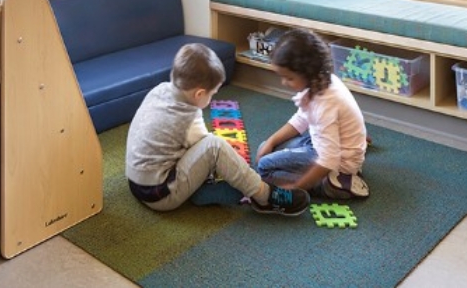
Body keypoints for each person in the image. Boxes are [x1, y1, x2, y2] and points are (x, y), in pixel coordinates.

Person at [125, 43, 312, 216]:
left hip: (137, 184)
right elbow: (211, 152)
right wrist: (237, 168)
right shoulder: (187, 119)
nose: (213, 97)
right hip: (161, 195)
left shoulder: (160, 90)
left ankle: (202, 193)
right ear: (199, 93)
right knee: (215, 146)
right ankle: (264, 197)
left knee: (213, 162)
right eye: (213, 93)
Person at [255, 29, 370, 199]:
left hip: (337, 161)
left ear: (307, 72)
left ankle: (334, 183)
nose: (283, 82)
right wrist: (271, 141)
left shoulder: (324, 103)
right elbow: (301, 120)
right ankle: (321, 175)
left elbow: (328, 158)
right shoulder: (319, 81)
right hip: (324, 144)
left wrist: (296, 187)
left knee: (264, 166)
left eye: (289, 78)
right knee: (265, 148)